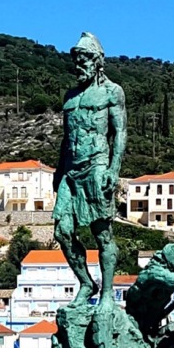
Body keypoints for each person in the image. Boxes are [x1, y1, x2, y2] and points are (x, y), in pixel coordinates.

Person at [53, 32, 126, 305]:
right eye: (76, 60)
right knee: (62, 231)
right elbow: (66, 138)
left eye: (83, 60)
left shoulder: (112, 92)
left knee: (102, 233)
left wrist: (113, 170)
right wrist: (58, 173)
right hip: (69, 172)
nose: (78, 65)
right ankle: (86, 283)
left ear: (97, 61)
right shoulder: (70, 96)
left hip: (96, 167)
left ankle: (107, 294)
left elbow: (120, 132)